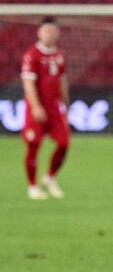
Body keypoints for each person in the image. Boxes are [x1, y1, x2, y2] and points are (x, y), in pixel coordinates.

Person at [20, 17, 70, 200]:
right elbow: (28, 83)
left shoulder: (59, 55)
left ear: (57, 34)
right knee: (34, 145)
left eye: (53, 31)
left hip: (55, 108)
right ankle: (32, 186)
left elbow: (63, 81)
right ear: (39, 32)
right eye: (46, 31)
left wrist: (66, 102)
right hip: (37, 108)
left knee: (64, 143)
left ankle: (49, 177)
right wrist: (35, 106)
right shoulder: (32, 55)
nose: (49, 35)